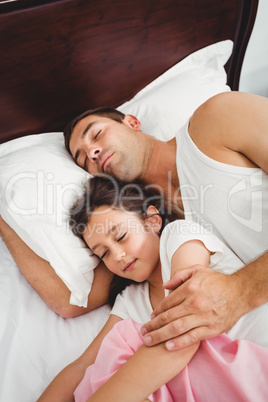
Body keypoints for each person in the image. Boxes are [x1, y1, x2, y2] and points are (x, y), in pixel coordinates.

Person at [64, 91, 268, 349]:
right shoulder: (152, 233)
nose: (92, 152)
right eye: (83, 160)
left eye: (96, 134)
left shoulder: (217, 119)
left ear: (132, 122)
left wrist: (239, 291)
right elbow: (70, 303)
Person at [39, 176, 268, 401]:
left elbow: (183, 332)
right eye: (104, 253)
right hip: (217, 386)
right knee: (106, 360)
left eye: (121, 236)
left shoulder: (179, 236)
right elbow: (81, 367)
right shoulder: (130, 299)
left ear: (152, 221)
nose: (118, 256)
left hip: (255, 364)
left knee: (125, 344)